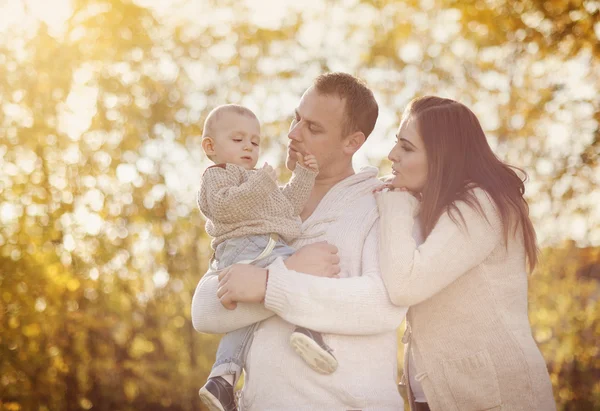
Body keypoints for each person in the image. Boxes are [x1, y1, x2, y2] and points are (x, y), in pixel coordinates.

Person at [192, 73, 413, 410]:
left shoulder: (381, 204)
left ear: (352, 142)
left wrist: (268, 283)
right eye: (297, 118)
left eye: (313, 128)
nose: (293, 134)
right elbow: (205, 310)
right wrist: (284, 273)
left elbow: (381, 306)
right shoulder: (266, 205)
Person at [374, 96, 556, 411]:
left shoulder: (481, 205)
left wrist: (396, 204)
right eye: (396, 144)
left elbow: (405, 284)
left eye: (407, 148)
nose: (392, 155)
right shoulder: (434, 204)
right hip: (434, 392)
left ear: (442, 156)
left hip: (495, 396)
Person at [195, 104, 340, 411]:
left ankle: (222, 377)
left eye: (255, 141)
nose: (249, 146)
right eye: (238, 140)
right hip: (244, 246)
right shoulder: (218, 175)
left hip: (260, 245)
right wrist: (261, 183)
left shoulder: (254, 181)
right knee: (306, 270)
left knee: (246, 320)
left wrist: (305, 174)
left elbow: (287, 207)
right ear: (210, 146)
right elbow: (225, 207)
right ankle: (307, 327)